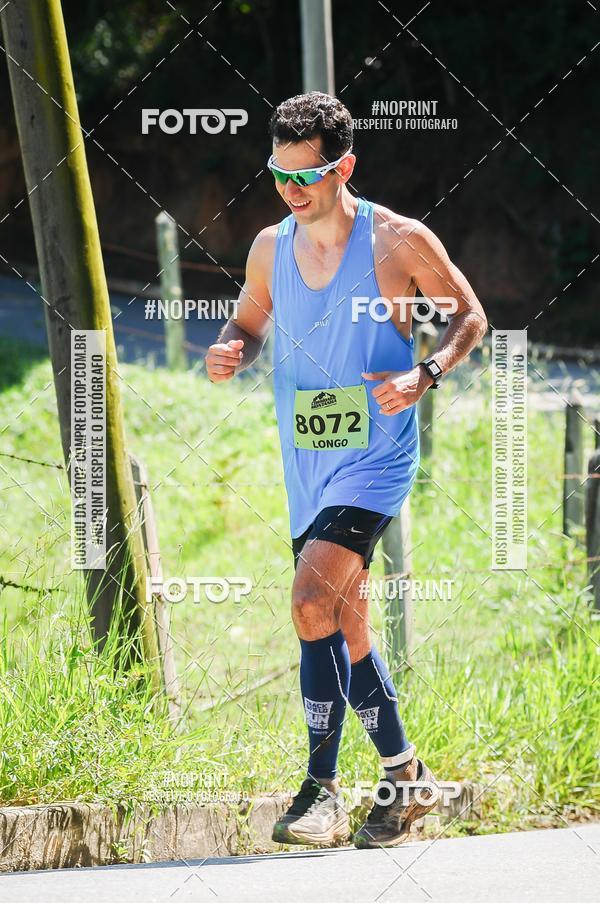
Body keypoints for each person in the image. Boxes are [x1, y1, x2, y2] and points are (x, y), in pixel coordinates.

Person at [205, 91, 487, 848]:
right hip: (307, 461)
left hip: (377, 454)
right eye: (279, 175)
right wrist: (233, 349)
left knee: (308, 602)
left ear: (344, 167)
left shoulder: (396, 240)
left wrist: (426, 373)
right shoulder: (268, 248)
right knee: (345, 621)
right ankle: (406, 776)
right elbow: (249, 321)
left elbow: (469, 316)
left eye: (307, 175)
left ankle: (320, 791)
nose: (292, 190)